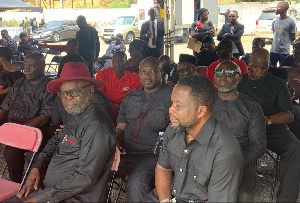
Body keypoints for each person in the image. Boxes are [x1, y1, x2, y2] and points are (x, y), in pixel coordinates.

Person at [11, 62, 116, 203]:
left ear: (91, 90)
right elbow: (55, 140)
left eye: (74, 92)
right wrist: (37, 166)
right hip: (55, 193)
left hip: (74, 198)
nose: (67, 98)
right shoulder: (79, 116)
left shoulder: (96, 125)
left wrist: (43, 197)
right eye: (63, 93)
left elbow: (86, 176)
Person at [143, 76, 243, 202]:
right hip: (168, 196)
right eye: (172, 103)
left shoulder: (225, 152)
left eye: (178, 105)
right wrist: (165, 200)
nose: (170, 110)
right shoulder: (174, 128)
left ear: (201, 111)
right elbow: (163, 168)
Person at [238, 48, 300, 202]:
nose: (259, 71)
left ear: (269, 66)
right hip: (243, 130)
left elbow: (289, 115)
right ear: (248, 64)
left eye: (263, 68)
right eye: (255, 67)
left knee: (295, 148)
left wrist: (267, 119)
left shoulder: (278, 84)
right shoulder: (238, 82)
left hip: (271, 129)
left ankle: (286, 198)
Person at [116, 57, 172, 202]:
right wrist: (116, 143)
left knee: (136, 183)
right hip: (126, 152)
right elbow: (120, 128)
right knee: (95, 170)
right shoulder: (130, 98)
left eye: (152, 72)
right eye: (143, 72)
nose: (147, 76)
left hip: (154, 155)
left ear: (161, 72)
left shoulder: (173, 97)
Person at [213, 60, 266, 202]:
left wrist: (237, 162)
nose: (223, 77)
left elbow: (258, 145)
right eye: (218, 73)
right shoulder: (205, 104)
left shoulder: (252, 108)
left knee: (243, 196)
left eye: (229, 73)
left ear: (239, 77)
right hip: (208, 159)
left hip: (241, 160)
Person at [0, 53, 55, 184]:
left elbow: (44, 117)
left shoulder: (49, 86)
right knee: (10, 153)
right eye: (25, 65)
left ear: (42, 66)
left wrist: (19, 130)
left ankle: (35, 186)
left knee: (28, 155)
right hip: (15, 131)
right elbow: (5, 108)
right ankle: (16, 185)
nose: (27, 69)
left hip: (38, 132)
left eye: (31, 66)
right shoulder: (19, 83)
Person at [270, 2, 296, 67]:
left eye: (277, 8)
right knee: (271, 70)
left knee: (284, 70)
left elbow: (293, 37)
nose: (275, 9)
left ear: (282, 9)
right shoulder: (275, 21)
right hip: (273, 50)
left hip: (284, 52)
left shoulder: (291, 22)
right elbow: (275, 33)